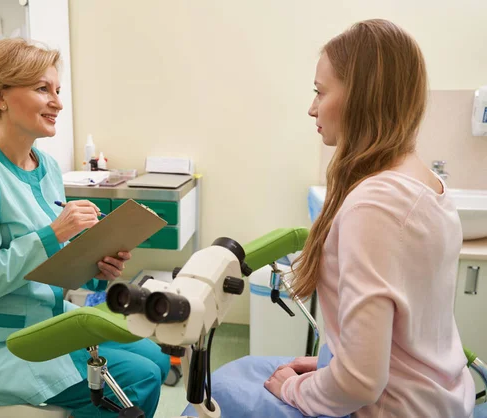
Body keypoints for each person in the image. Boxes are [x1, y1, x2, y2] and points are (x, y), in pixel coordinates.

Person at [185, 19, 476, 418]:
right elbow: (399, 340)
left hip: (394, 407)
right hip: (437, 396)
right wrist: (328, 367)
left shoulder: (373, 205)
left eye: (320, 92)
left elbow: (360, 382)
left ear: (362, 97)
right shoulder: (428, 184)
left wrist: (295, 387)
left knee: (214, 397)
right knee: (243, 374)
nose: (312, 107)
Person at [0, 38, 169, 418]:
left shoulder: (44, 166)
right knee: (137, 378)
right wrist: (53, 234)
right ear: (0, 97)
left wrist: (95, 267)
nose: (58, 102)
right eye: (42, 89)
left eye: (57, 90)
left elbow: (49, 269)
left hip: (45, 323)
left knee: (155, 359)